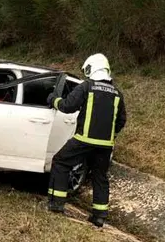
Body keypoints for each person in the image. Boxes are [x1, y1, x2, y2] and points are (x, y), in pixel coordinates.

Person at [46, 53, 127, 227]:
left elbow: (68, 106)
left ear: (91, 68)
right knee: (99, 176)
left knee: (60, 162)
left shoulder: (87, 87)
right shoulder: (117, 94)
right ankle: (99, 216)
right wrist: (109, 135)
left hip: (84, 140)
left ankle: (57, 204)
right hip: (105, 145)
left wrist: (54, 100)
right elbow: (121, 121)